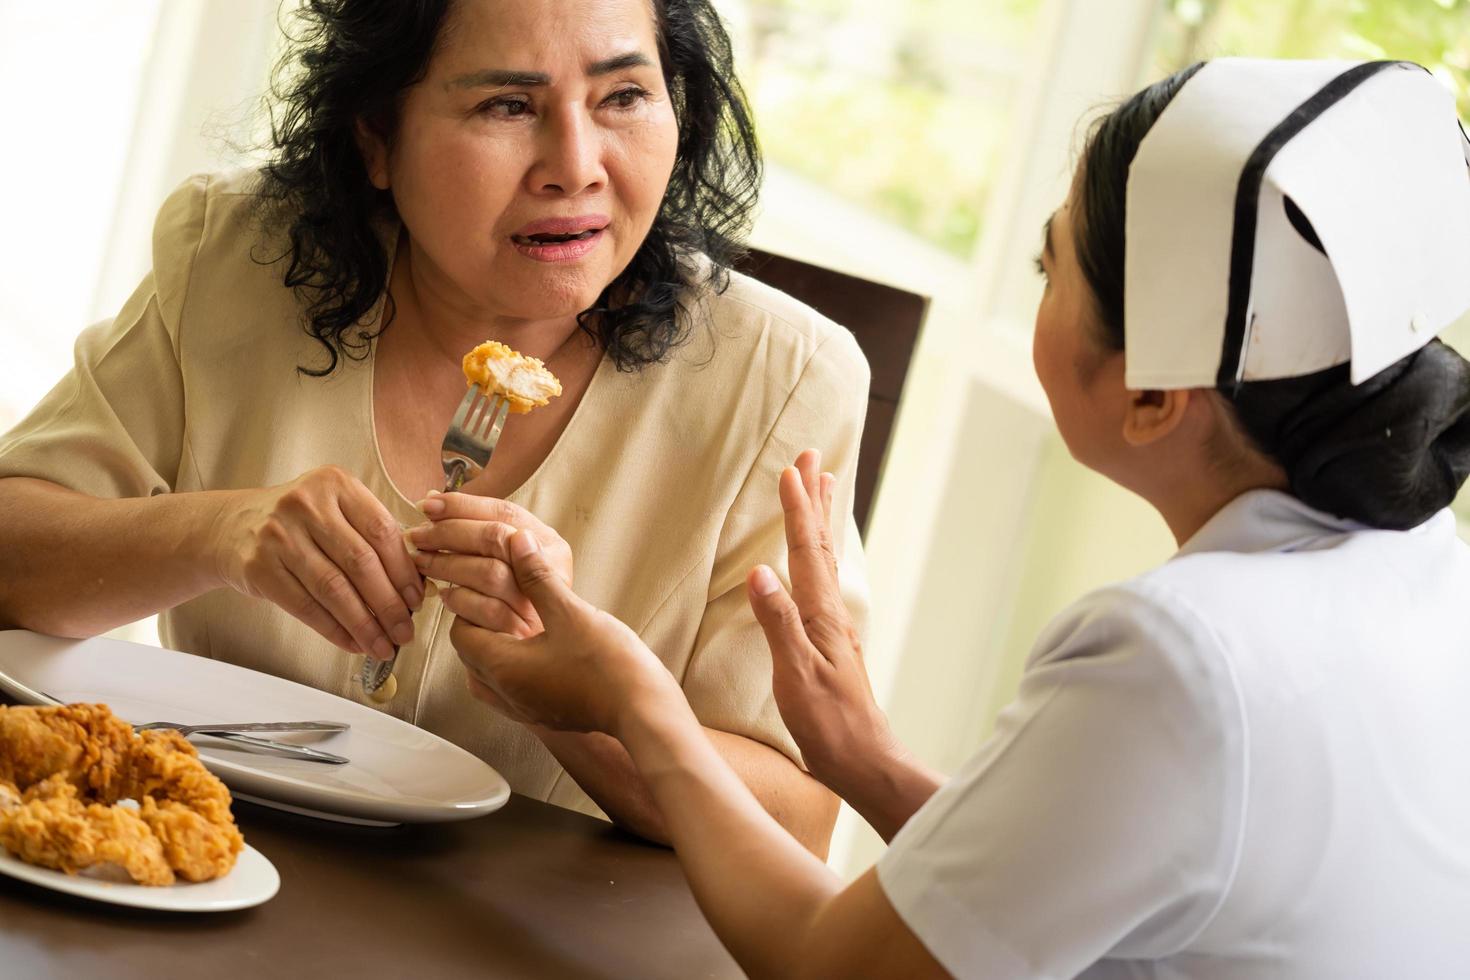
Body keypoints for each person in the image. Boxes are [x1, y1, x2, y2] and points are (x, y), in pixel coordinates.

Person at [439, 59, 1470, 977]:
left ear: (1154, 395)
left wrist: (626, 696)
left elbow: (833, 964)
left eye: (1049, 268)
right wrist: (869, 764)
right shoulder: (1418, 564)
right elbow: (1085, 885)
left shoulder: (1178, 654)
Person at [0, 0, 871, 853]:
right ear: (377, 136)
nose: (575, 166)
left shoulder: (788, 381)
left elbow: (797, 819)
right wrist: (214, 532)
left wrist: (580, 700)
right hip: (192, 862)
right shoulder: (232, 253)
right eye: (508, 105)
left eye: (624, 97)